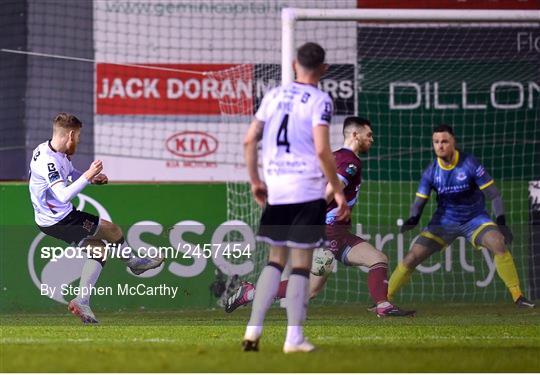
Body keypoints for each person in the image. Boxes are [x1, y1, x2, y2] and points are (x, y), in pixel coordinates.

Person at [226, 117, 415, 317]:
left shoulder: (333, 157)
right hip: (329, 229)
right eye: (369, 135)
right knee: (310, 288)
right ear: (354, 135)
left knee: (376, 260)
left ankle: (383, 305)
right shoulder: (350, 162)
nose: (372, 139)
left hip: (338, 231)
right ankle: (251, 293)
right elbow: (330, 190)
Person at [242, 42, 349, 353]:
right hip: (305, 189)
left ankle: (253, 330)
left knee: (275, 262)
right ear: (324, 69)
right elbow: (320, 149)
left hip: (276, 188)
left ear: (293, 65)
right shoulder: (320, 100)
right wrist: (338, 192)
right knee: (301, 265)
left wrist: (255, 181)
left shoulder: (272, 96)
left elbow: (250, 141)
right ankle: (294, 338)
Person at [29, 113, 164, 324]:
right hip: (60, 218)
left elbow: (68, 173)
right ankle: (134, 263)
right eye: (79, 136)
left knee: (99, 250)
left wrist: (90, 179)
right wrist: (88, 174)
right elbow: (63, 195)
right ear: (71, 135)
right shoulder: (48, 160)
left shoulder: (52, 151)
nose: (79, 141)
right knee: (113, 230)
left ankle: (82, 301)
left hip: (52, 218)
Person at [388, 124, 535, 308]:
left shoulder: (469, 164)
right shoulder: (431, 171)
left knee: (498, 243)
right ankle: (384, 300)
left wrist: (502, 223)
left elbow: (494, 194)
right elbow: (419, 201)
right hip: (444, 222)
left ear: (453, 142)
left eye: (444, 141)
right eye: (436, 142)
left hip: (475, 219)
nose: (440, 145)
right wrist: (413, 218)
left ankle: (518, 296)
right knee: (411, 258)